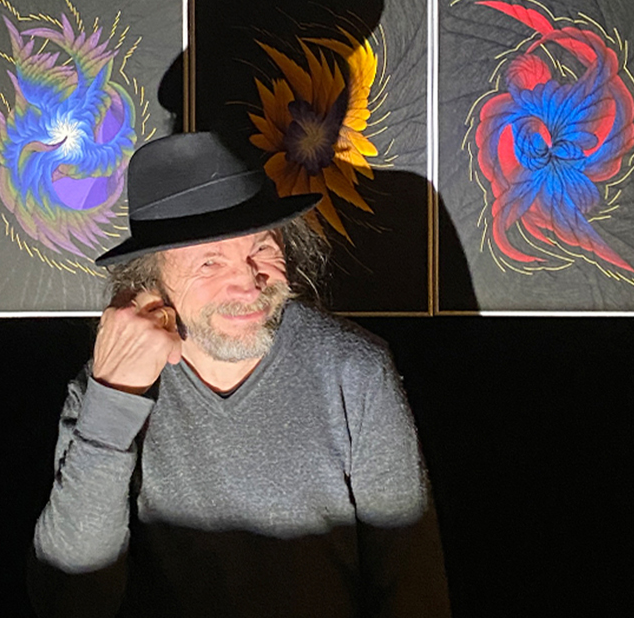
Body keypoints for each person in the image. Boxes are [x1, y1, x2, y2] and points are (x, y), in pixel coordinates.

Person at [30, 132, 451, 618]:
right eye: (210, 262)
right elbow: (71, 600)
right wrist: (111, 403)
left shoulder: (354, 371)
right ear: (151, 281)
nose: (249, 283)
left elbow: (413, 588)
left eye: (262, 249)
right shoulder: (106, 388)